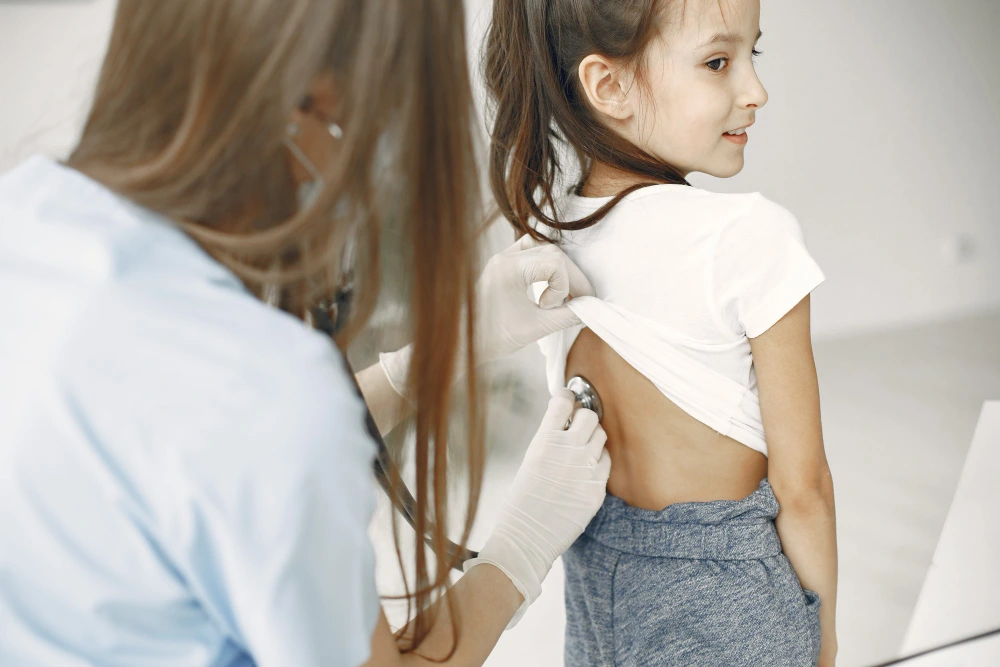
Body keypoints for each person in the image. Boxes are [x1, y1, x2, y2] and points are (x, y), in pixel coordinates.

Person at [0, 2, 612, 666]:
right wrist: (518, 549)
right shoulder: (267, 401)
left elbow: (191, 449)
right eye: (373, 117)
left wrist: (430, 362)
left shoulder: (25, 215)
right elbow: (242, 435)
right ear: (304, 103)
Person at [485, 0, 838, 665]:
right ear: (608, 85)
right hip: (735, 608)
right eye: (717, 62)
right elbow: (805, 487)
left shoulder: (546, 234)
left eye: (751, 55)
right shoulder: (748, 236)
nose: (756, 92)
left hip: (598, 598)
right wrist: (826, 637)